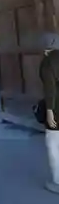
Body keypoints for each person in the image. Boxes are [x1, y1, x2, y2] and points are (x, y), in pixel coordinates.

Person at [40, 33, 59, 194]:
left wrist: (49, 111)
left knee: (54, 145)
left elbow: (50, 89)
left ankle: (57, 180)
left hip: (57, 109)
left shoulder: (49, 62)